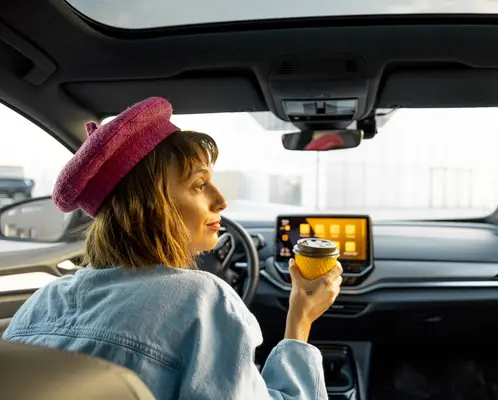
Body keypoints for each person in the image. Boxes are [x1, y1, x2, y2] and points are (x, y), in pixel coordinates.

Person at [2, 97, 343, 399]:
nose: (221, 200)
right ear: (151, 205)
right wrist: (300, 321)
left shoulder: (40, 303)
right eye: (200, 185)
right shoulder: (203, 300)